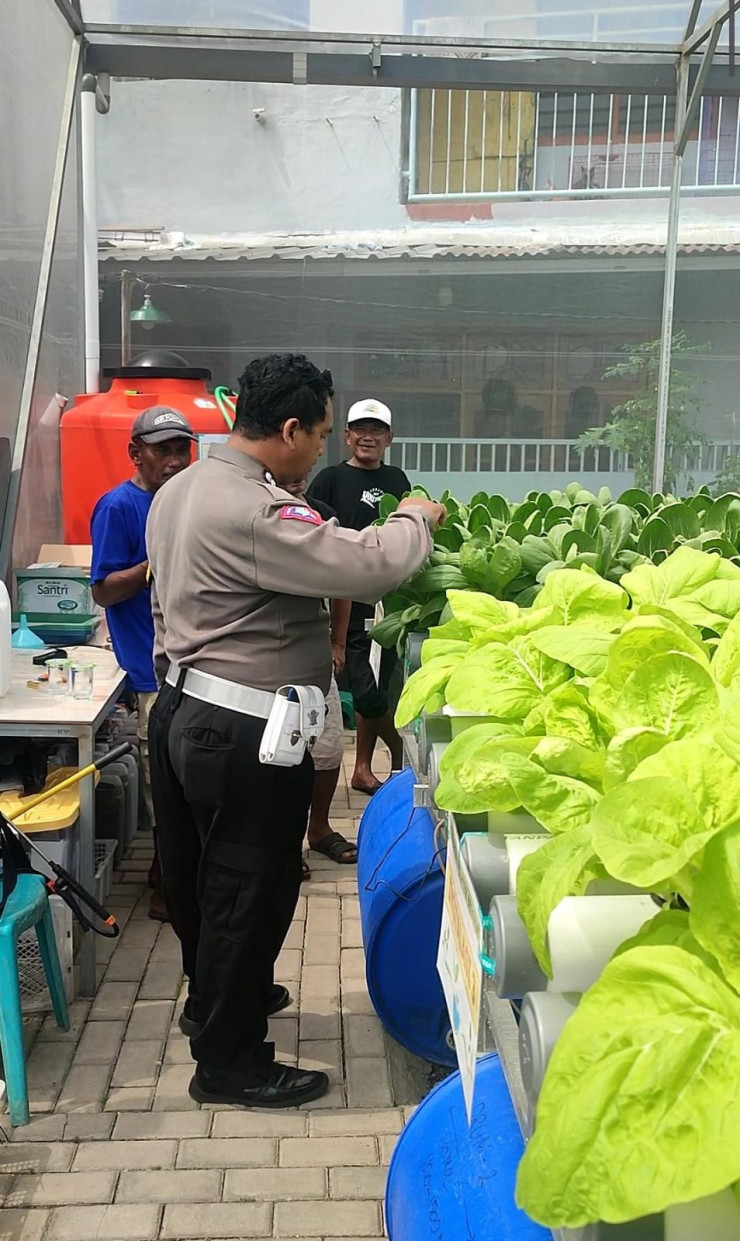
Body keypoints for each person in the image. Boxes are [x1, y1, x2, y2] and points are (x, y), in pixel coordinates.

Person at [146, 354, 445, 1109]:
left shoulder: (180, 489)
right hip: (242, 730)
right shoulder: (254, 510)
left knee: (201, 882)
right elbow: (370, 567)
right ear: (287, 429)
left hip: (183, 708)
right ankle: (230, 1065)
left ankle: (218, 1000)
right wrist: (415, 516)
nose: (320, 449)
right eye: (317, 434)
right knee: (250, 889)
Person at [90, 406, 196, 921]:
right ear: (136, 453)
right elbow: (104, 590)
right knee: (164, 784)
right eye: (162, 450)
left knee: (182, 778)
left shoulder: (187, 501)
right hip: (150, 668)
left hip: (192, 661)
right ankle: (167, 889)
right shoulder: (119, 506)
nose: (174, 460)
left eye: (181, 449)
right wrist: (154, 565)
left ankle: (169, 876)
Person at [308, 399, 411, 795]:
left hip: (387, 600)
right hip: (343, 597)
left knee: (379, 683)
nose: (368, 437)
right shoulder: (330, 479)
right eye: (361, 429)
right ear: (347, 436)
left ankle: (363, 769)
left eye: (377, 430)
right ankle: (401, 748)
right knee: (364, 689)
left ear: (389, 438)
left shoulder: (397, 479)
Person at [284, 478, 355, 872]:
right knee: (279, 752)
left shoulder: (323, 517)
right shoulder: (256, 513)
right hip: (267, 657)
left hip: (315, 653)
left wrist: (338, 642)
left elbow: (343, 585)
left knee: (327, 748)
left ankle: (319, 827)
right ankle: (283, 840)